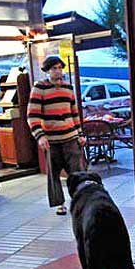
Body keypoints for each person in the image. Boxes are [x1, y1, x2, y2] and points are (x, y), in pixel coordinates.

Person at [27, 56, 86, 215]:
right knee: (53, 174)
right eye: (54, 68)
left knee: (77, 171)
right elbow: (32, 115)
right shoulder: (40, 88)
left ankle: (79, 200)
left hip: (71, 137)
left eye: (60, 67)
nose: (58, 71)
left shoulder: (68, 87)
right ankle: (60, 204)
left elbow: (74, 112)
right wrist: (40, 136)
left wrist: (80, 134)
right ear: (47, 70)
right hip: (51, 140)